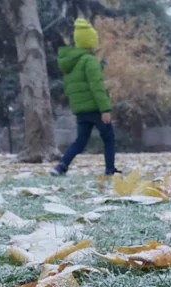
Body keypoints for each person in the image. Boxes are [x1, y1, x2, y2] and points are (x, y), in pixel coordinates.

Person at [52, 18, 116, 176]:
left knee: (80, 141)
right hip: (95, 108)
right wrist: (105, 109)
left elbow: (72, 88)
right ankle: (109, 170)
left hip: (80, 110)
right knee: (109, 138)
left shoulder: (71, 63)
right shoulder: (90, 61)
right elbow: (97, 87)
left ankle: (61, 166)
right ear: (91, 42)